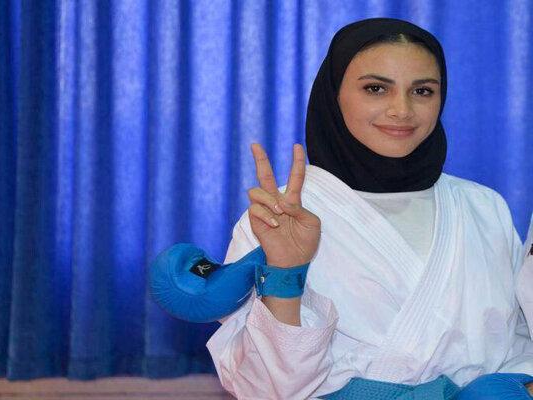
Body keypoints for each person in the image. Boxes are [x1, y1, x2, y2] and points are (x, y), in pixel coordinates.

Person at [205, 18, 533, 399]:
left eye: (422, 91)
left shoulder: (484, 208)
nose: (402, 110)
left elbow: (521, 346)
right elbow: (265, 389)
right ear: (334, 95)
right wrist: (284, 274)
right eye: (376, 88)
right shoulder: (278, 218)